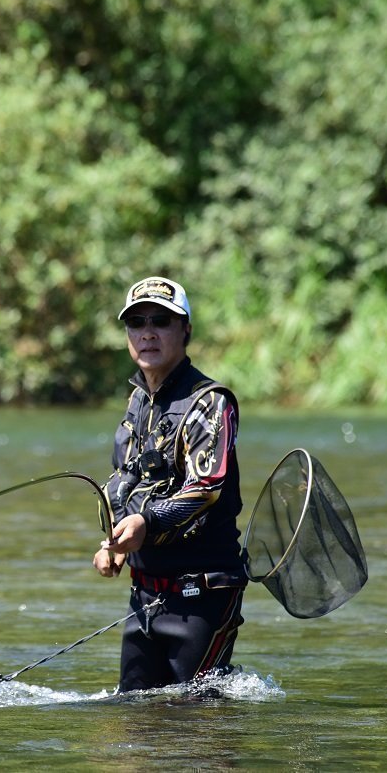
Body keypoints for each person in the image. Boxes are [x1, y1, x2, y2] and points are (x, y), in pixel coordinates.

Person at [92, 275, 246, 692]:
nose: (147, 333)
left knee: (195, 725)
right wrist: (115, 542)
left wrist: (145, 524)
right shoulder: (138, 400)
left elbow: (205, 488)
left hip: (204, 596)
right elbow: (124, 479)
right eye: (136, 322)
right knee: (135, 720)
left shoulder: (210, 402)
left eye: (161, 321)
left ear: (186, 331)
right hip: (144, 596)